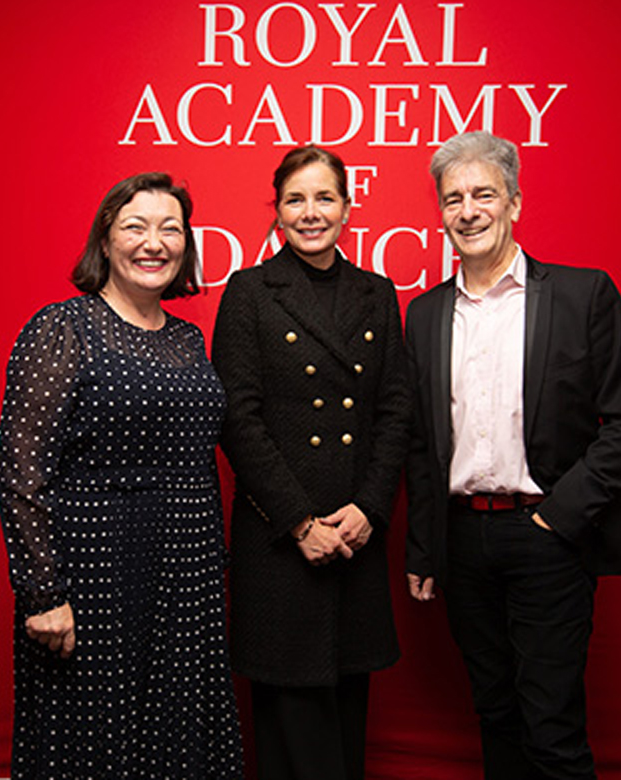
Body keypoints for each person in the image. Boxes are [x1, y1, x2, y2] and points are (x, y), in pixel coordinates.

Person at [403, 131, 621, 779]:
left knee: (552, 727)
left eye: (484, 194)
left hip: (549, 536)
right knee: (495, 714)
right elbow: (420, 443)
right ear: (440, 213)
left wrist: (558, 518)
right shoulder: (425, 314)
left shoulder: (584, 295)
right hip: (462, 544)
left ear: (514, 203)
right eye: (453, 198)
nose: (468, 211)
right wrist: (426, 548)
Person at [0, 172, 243, 779]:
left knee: (181, 740)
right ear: (105, 241)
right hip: (93, 579)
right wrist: (42, 593)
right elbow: (21, 468)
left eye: (170, 229)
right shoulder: (63, 329)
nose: (154, 242)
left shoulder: (189, 340)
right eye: (136, 226)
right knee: (94, 744)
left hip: (188, 580)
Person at [211, 145, 411, 780]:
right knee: (288, 718)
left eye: (324, 197)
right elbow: (236, 419)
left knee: (348, 703)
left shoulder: (377, 293)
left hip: (354, 534)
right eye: (295, 199)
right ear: (277, 213)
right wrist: (301, 522)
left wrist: (370, 509)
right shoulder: (249, 291)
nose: (310, 212)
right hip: (281, 541)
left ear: (348, 209)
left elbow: (395, 412)